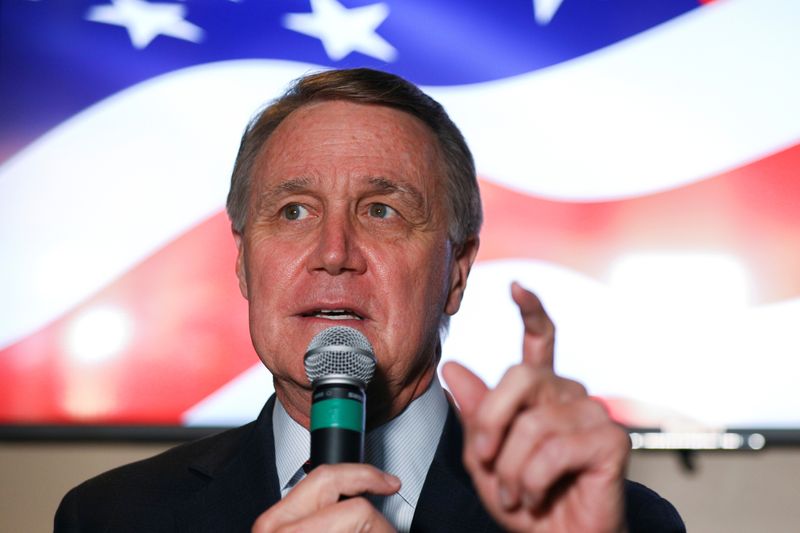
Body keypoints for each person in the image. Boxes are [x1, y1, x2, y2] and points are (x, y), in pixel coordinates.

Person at [55, 68, 684, 532]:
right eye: (294, 211)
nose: (334, 251)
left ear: (456, 272)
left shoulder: (617, 523)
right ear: (244, 263)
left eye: (381, 211)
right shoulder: (109, 517)